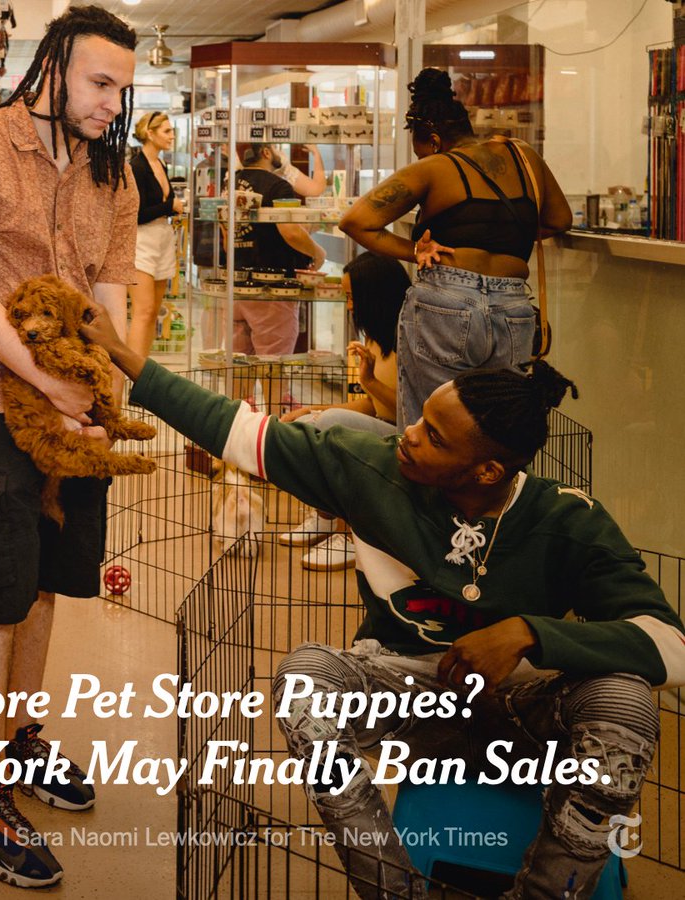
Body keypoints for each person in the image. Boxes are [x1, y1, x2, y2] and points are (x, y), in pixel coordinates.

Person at [79, 304, 685, 900]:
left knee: (625, 700)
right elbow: (236, 432)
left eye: (434, 438)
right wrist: (125, 355)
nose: (408, 436)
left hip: (526, 711)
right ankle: (394, 889)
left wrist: (529, 632)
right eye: (419, 419)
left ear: (487, 470)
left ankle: (551, 892)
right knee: (302, 681)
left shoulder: (566, 520)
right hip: (409, 697)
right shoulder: (367, 466)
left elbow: (670, 644)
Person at [0, 6, 139, 888]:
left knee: (47, 576)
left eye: (122, 86)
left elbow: (112, 291)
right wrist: (47, 383)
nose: (111, 102)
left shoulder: (113, 173)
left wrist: (109, 386)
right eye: (99, 82)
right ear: (51, 68)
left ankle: (18, 739)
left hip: (75, 404)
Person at [340, 68, 572, 430]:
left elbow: (356, 220)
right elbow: (560, 220)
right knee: (499, 424)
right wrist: (503, 233)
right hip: (513, 306)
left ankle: (425, 487)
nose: (420, 156)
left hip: (446, 301)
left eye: (419, 148)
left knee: (429, 422)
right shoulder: (522, 155)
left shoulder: (434, 168)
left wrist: (415, 250)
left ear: (433, 139)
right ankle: (488, 484)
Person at [279, 253, 410, 572]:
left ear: (373, 294)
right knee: (310, 423)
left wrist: (367, 379)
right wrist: (312, 409)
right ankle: (324, 518)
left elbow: (406, 412)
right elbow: (370, 406)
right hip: (384, 427)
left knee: (330, 426)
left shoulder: (409, 337)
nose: (349, 305)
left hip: (406, 438)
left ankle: (351, 536)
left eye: (352, 297)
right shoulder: (377, 336)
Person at [230, 143, 326, 359]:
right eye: (273, 147)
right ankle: (274, 396)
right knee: (273, 366)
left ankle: (240, 396)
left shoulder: (231, 183)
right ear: (265, 152)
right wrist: (317, 253)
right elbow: (290, 231)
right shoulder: (278, 186)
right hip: (273, 289)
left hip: (237, 284)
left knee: (237, 368)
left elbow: (227, 232)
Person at [127, 111, 185, 357]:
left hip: (162, 236)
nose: (172, 136)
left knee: (154, 310)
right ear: (149, 134)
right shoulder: (136, 167)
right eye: (167, 131)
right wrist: (170, 207)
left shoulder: (161, 163)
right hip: (142, 239)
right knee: (143, 309)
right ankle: (132, 370)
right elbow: (137, 213)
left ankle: (144, 369)